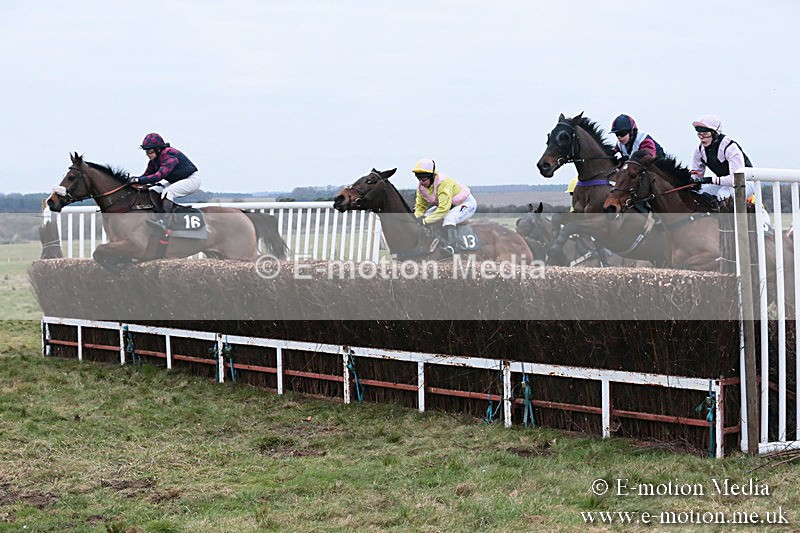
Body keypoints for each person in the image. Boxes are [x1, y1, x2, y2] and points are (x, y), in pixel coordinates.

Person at [128, 133, 201, 231]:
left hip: (191, 180)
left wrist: (139, 180)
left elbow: (159, 176)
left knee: (168, 192)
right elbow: (145, 176)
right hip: (176, 181)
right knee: (153, 190)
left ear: (158, 149)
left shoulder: (170, 156)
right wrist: (131, 182)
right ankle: (158, 215)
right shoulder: (154, 161)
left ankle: (165, 222)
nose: (147, 154)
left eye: (149, 151)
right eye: (146, 151)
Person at [412, 158, 477, 256]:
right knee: (425, 215)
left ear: (432, 176)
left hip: (466, 204)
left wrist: (424, 221)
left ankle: (452, 247)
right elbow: (420, 207)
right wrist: (417, 218)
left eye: (424, 179)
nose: (421, 182)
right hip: (448, 205)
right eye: (419, 179)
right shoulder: (421, 187)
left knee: (449, 218)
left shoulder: (443, 183)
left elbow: (443, 210)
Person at [689, 114, 755, 200]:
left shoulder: (730, 147)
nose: (701, 137)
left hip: (743, 182)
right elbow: (696, 174)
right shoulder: (699, 150)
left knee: (724, 194)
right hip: (724, 183)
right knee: (698, 193)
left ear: (715, 133)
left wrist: (710, 180)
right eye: (699, 134)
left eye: (705, 133)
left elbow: (735, 179)